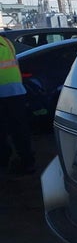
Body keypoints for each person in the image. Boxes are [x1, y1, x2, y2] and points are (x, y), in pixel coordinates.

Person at [0, 35, 36, 174]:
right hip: (16, 91)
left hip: (2, 93)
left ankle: (4, 160)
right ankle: (27, 162)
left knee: (2, 131)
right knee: (20, 129)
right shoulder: (6, 42)